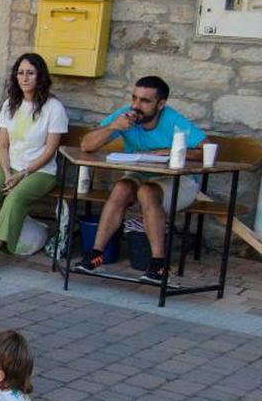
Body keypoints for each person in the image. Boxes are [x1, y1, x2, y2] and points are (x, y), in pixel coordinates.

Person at [76, 76, 208, 285]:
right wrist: (113, 127)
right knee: (121, 187)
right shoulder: (124, 116)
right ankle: (95, 255)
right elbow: (86, 146)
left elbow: (207, 150)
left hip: (178, 180)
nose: (136, 106)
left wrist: (168, 151)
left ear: (161, 104)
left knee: (147, 192)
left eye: (145, 101)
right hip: (140, 174)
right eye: (134, 98)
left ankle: (158, 264)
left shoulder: (173, 120)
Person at [0, 53, 68, 276]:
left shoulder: (53, 107)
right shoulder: (11, 105)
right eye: (20, 73)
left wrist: (22, 174)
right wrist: (8, 171)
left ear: (40, 76)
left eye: (30, 73)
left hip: (40, 171)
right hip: (9, 167)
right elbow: (2, 146)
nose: (24, 78)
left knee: (15, 197)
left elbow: (50, 151)